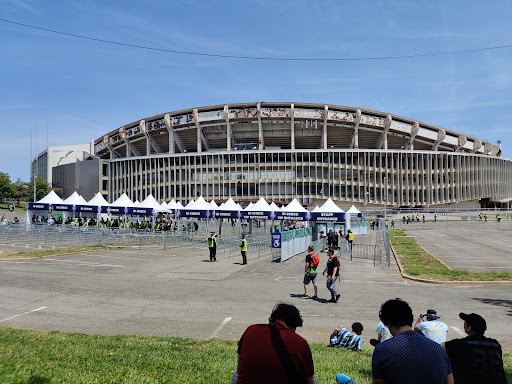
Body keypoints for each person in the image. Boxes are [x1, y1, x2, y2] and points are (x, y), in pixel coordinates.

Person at [372, 298, 454, 384]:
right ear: (410, 319)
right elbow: (450, 380)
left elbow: (378, 382)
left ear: (388, 323)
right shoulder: (438, 349)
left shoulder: (382, 349)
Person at [232, 303, 317, 384]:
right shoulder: (300, 342)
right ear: (294, 325)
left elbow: (239, 369)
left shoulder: (250, 330)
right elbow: (310, 381)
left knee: (236, 375)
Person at [442, 313, 507, 384]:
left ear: (469, 328)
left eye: (465, 323)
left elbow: (438, 348)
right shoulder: (495, 345)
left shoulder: (460, 344)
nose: (463, 325)